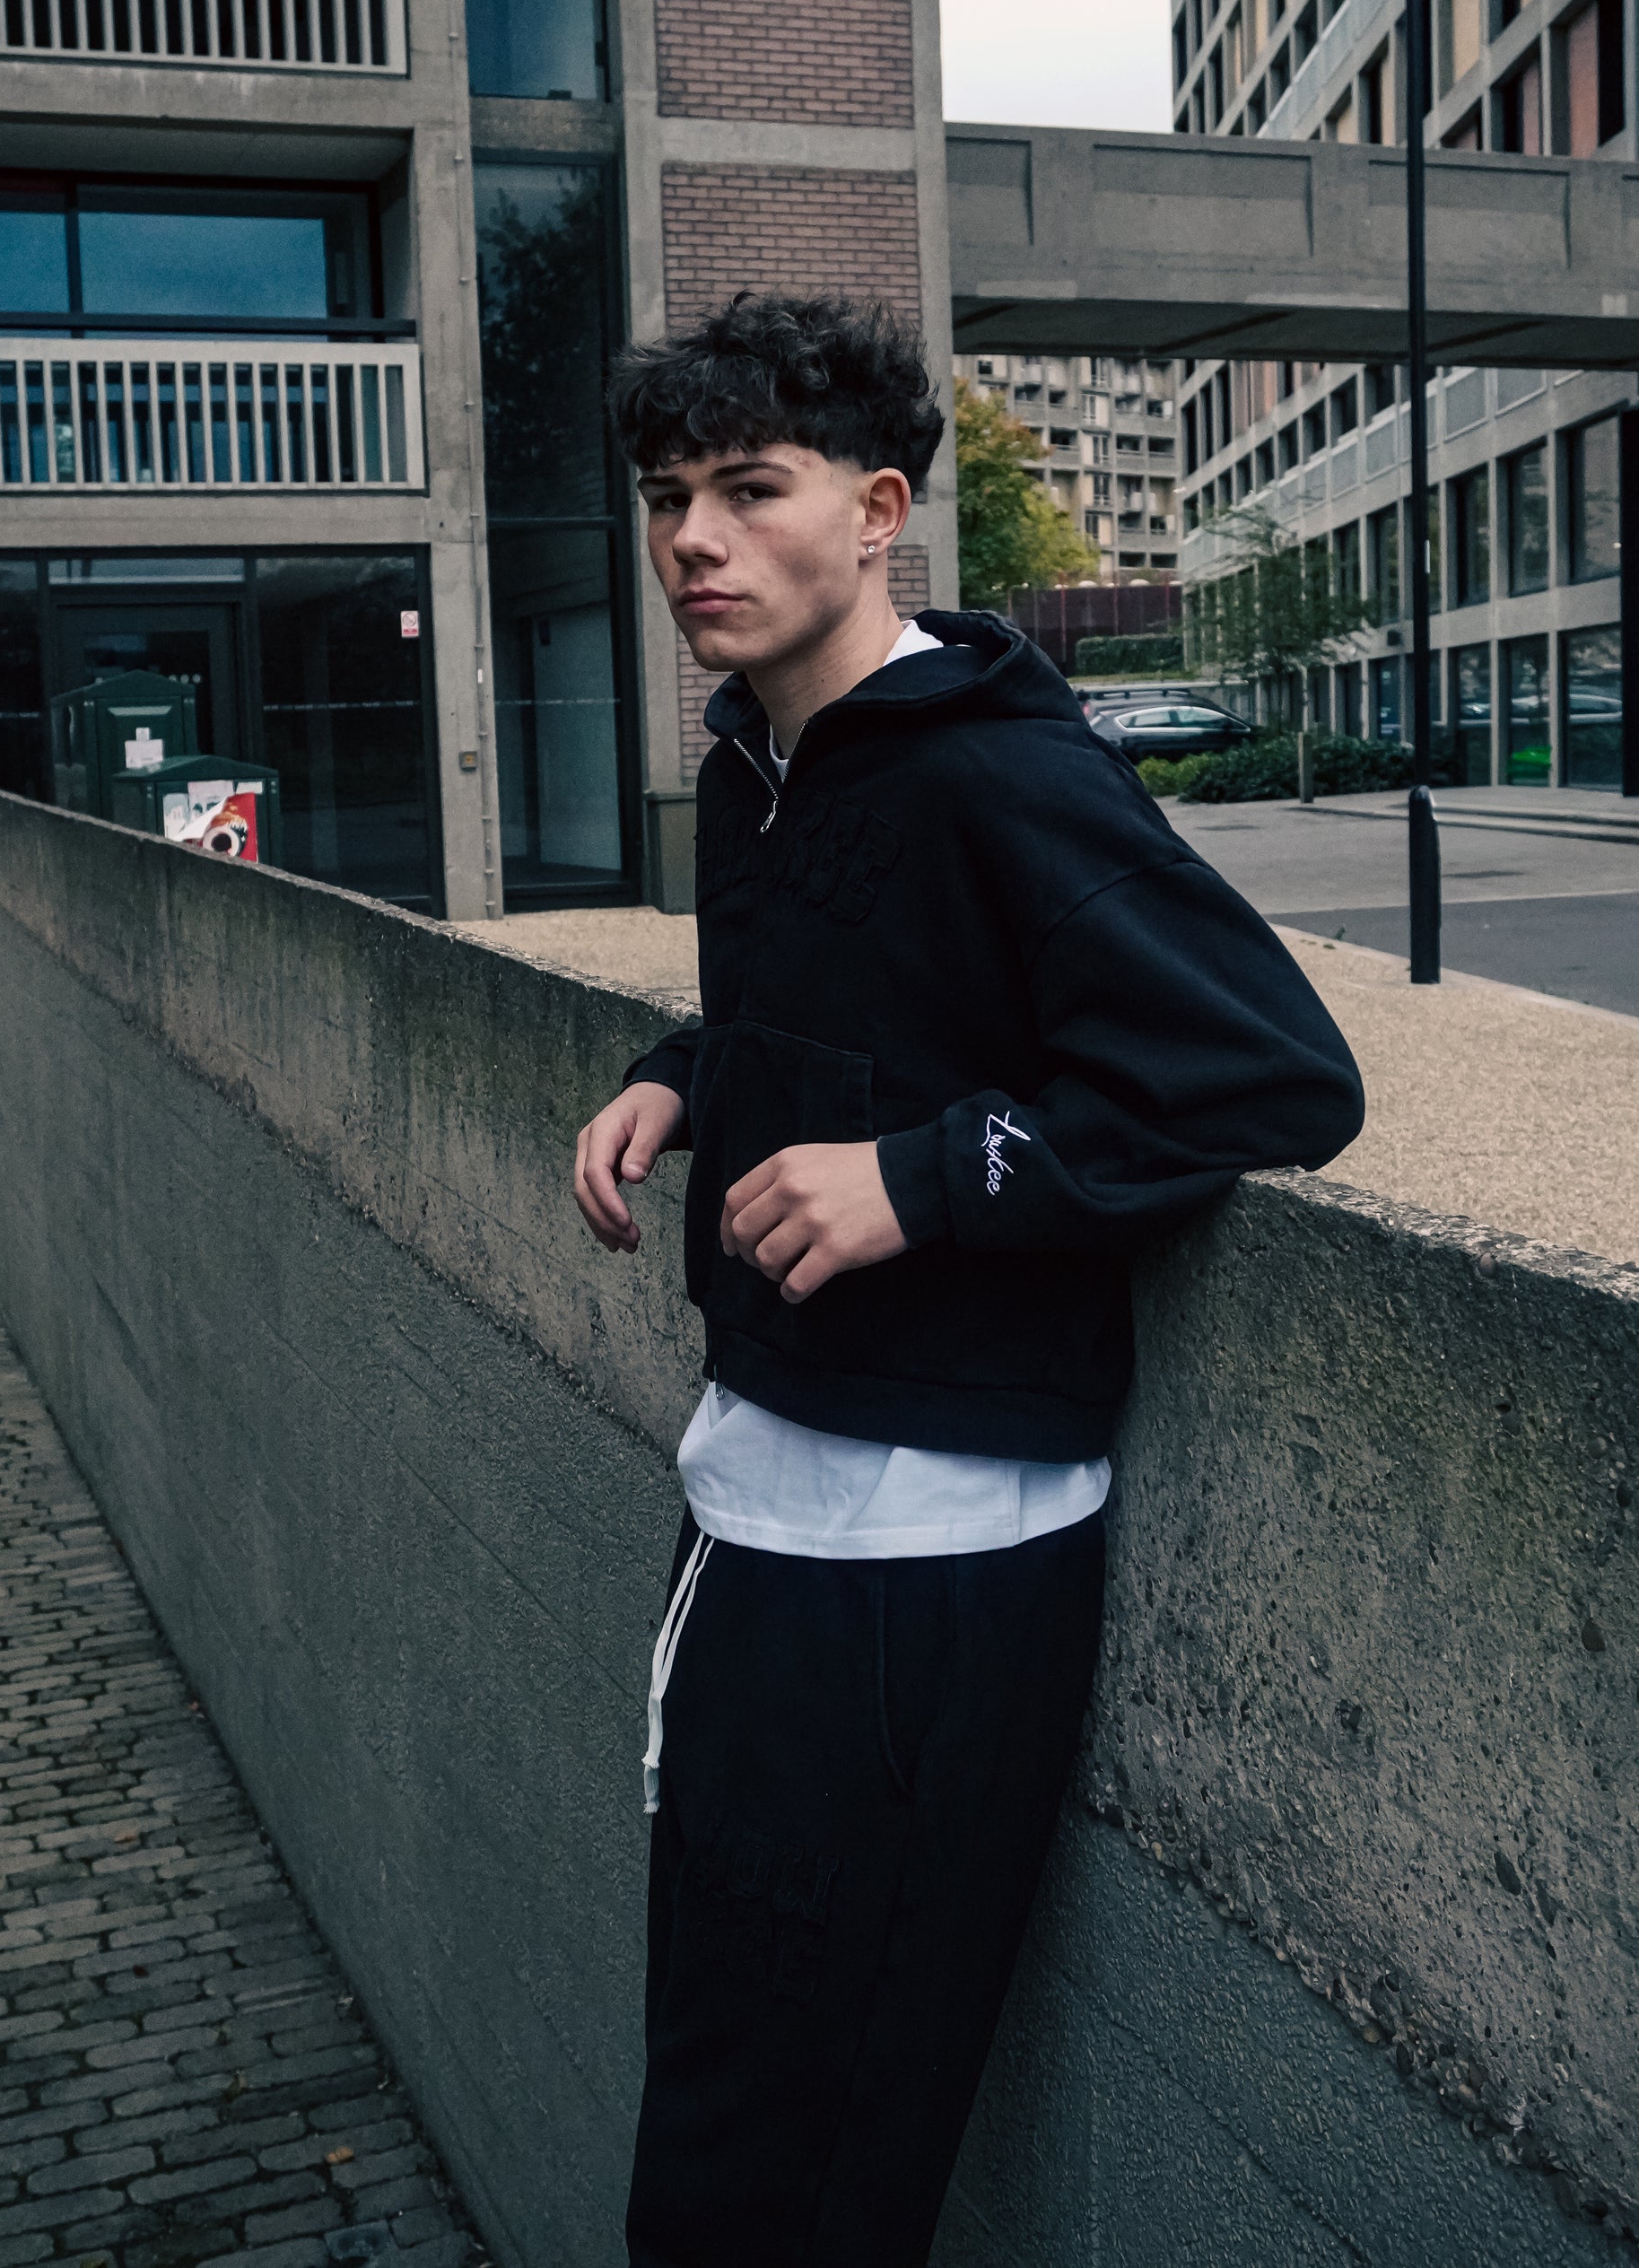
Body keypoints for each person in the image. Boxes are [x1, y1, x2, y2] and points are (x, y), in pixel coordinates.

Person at [572, 292, 1364, 2267]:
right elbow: (883, 1003)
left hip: (924, 1558)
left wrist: (922, 1185)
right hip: (759, 1499)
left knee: (809, 2164)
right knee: (718, 2108)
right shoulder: (763, 762)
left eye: (749, 490)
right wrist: (688, 1074)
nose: (693, 540)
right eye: (668, 496)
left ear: (877, 511)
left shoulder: (1002, 773)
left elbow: (1266, 1074)